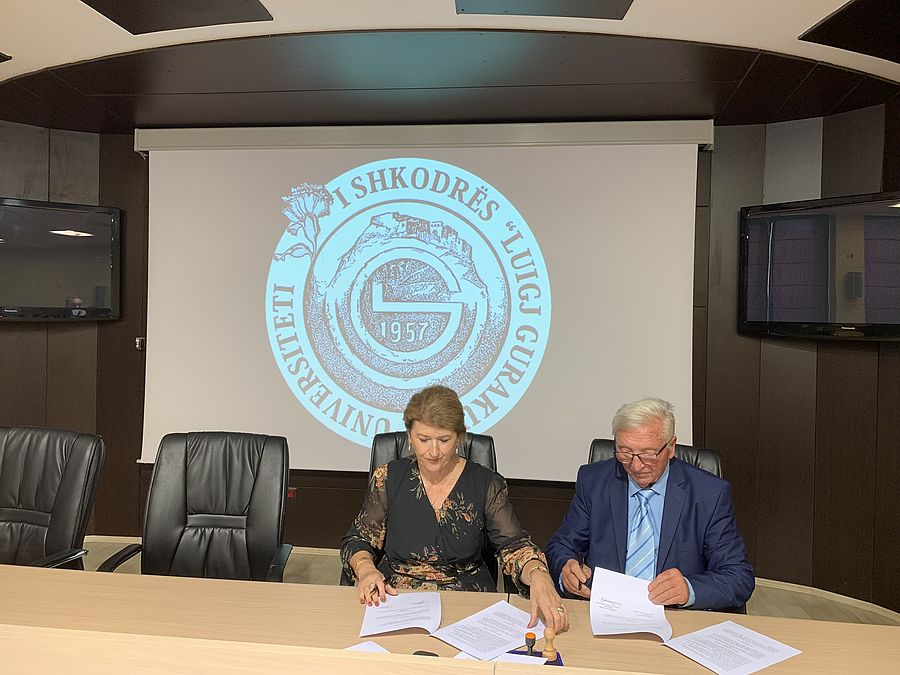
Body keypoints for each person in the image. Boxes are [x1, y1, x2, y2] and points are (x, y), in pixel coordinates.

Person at [341, 385, 568, 634]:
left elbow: (513, 546)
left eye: (444, 440)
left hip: (467, 601)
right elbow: (358, 539)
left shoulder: (485, 483)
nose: (433, 452)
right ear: (409, 437)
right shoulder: (388, 478)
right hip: (396, 598)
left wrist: (538, 574)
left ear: (460, 437)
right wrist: (365, 569)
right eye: (423, 440)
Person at [545, 398, 754, 611]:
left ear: (671, 447)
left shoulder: (709, 494)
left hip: (675, 615)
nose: (636, 466)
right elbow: (561, 546)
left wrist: (689, 589)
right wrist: (566, 569)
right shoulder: (594, 481)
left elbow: (738, 576)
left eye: (648, 454)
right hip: (605, 610)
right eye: (625, 453)